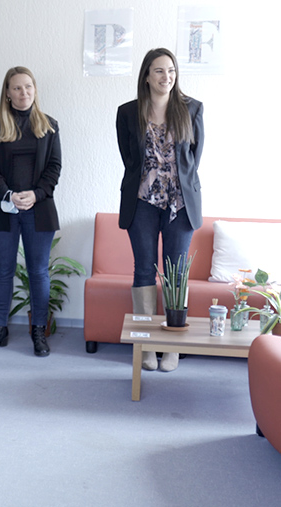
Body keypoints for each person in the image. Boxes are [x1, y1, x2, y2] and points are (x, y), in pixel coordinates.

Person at [116, 48, 204, 372]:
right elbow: (130, 159)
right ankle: (146, 345)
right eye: (158, 71)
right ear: (146, 76)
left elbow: (193, 160)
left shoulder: (192, 109)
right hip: (142, 203)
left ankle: (172, 348)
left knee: (176, 275)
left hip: (180, 205)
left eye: (171, 70)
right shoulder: (128, 113)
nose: (166, 77)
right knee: (143, 270)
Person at [0, 67, 62, 357]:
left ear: (34, 90)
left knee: (38, 272)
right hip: (3, 208)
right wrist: (8, 194)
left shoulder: (49, 125)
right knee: (3, 272)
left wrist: (35, 195)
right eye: (16, 88)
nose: (23, 93)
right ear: (8, 93)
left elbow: (54, 168)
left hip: (39, 209)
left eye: (28, 87)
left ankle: (39, 330)